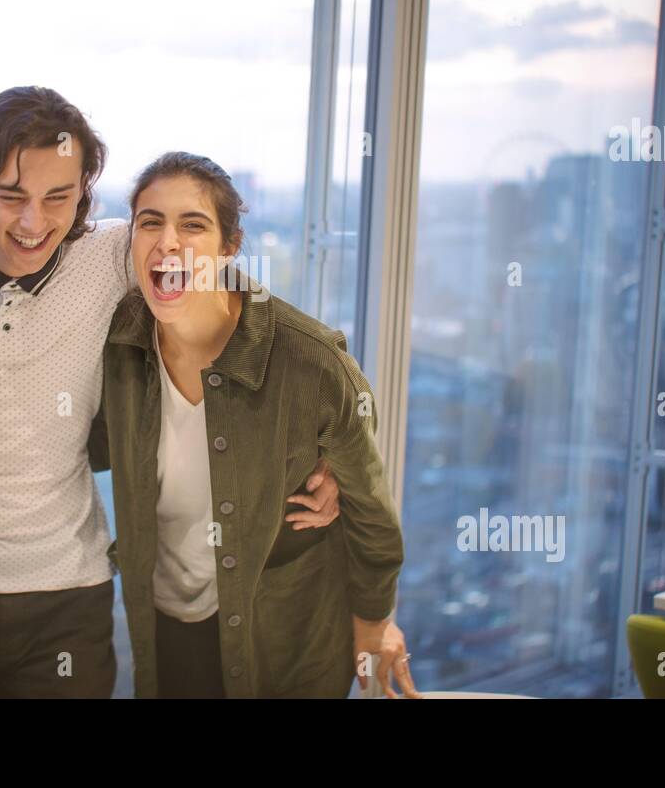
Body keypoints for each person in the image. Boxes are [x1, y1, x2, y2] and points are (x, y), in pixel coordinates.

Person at [0, 86, 342, 698]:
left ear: (83, 196)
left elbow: (238, 313)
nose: (32, 222)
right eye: (11, 197)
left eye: (58, 198)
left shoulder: (114, 252)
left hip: (68, 590)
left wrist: (319, 451)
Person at [94, 152, 420, 698]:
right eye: (150, 221)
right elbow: (80, 443)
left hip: (285, 641)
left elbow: (373, 517)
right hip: (165, 625)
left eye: (192, 224)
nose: (167, 240)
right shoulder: (118, 341)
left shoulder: (307, 359)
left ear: (228, 248)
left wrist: (373, 619)